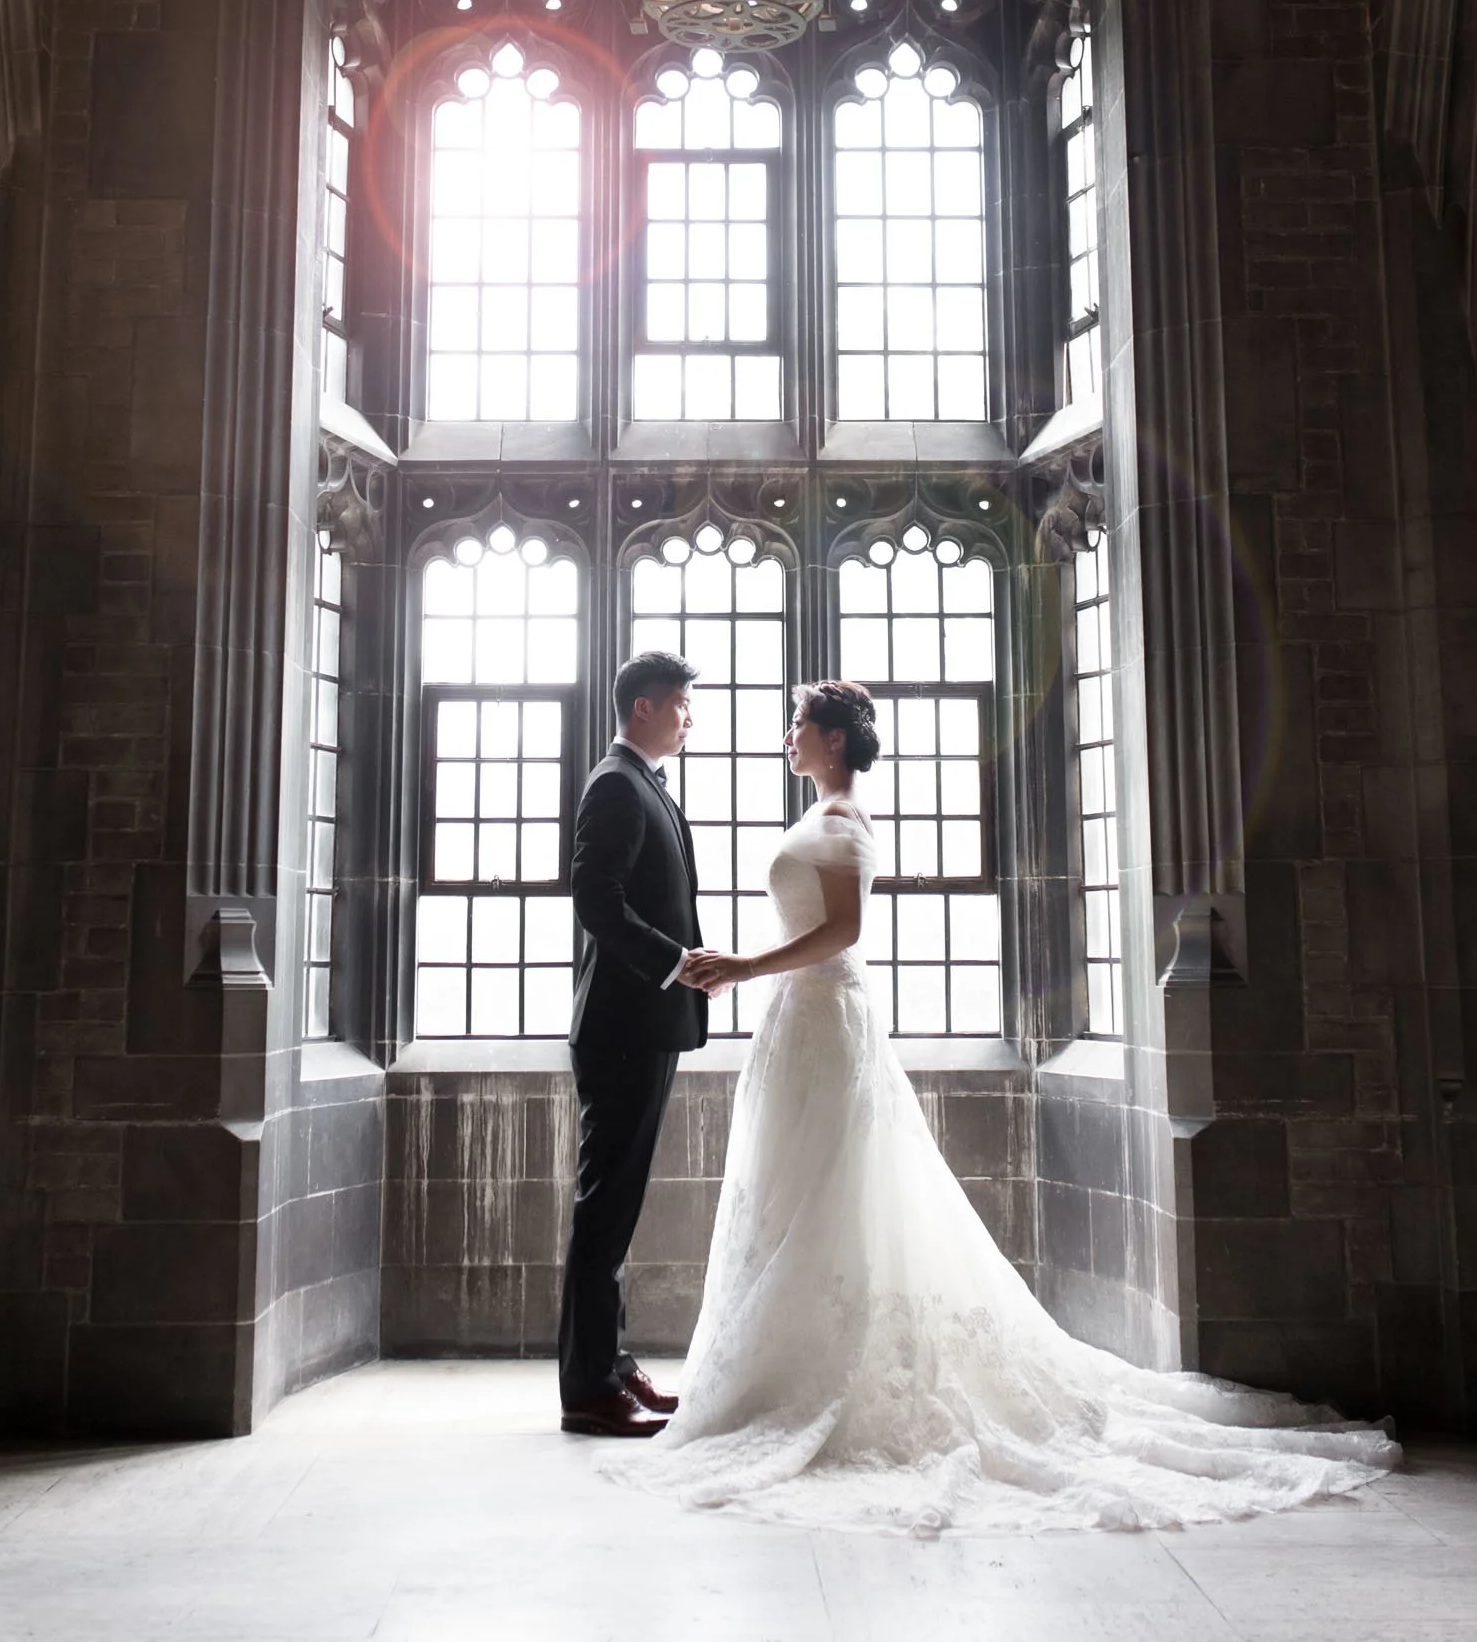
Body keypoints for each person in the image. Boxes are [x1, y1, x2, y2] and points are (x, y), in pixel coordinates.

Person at [606, 678, 1400, 1532]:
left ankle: (826, 1378)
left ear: (833, 741)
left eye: (798, 723)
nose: (787, 735)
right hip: (797, 1023)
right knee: (790, 1195)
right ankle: (771, 1372)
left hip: (823, 1015)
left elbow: (842, 934)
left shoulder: (842, 822)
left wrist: (743, 966)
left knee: (830, 1192)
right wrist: (750, 977)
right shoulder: (823, 815)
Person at [558, 650, 715, 1437]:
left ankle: (612, 1365)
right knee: (603, 1209)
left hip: (643, 1026)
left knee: (616, 1210)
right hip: (621, 1029)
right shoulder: (616, 783)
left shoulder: (644, 782)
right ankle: (587, 1390)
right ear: (645, 707)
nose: (691, 718)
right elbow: (594, 898)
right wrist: (675, 965)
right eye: (682, 705)